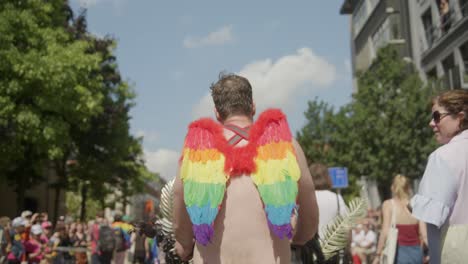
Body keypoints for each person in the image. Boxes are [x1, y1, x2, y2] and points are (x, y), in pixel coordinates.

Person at [173, 73, 319, 263]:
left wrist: (184, 243)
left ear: (217, 112)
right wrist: (298, 239)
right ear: (253, 106)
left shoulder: (197, 151)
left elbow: (179, 197)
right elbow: (309, 212)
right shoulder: (285, 146)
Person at [410, 89, 468, 263]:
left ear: (460, 117)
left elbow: (431, 215)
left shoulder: (443, 156)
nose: (431, 123)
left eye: (437, 116)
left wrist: (413, 203)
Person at [373, 175, 427, 264]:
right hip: (417, 253)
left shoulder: (389, 205)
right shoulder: (416, 205)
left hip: (397, 252)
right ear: (409, 188)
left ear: (392, 188)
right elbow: (424, 235)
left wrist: (378, 254)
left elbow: (385, 231)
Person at [309, 163, 347, 237]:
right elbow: (346, 226)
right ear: (327, 177)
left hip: (311, 246)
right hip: (332, 245)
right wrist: (347, 247)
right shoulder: (337, 198)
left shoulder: (307, 199)